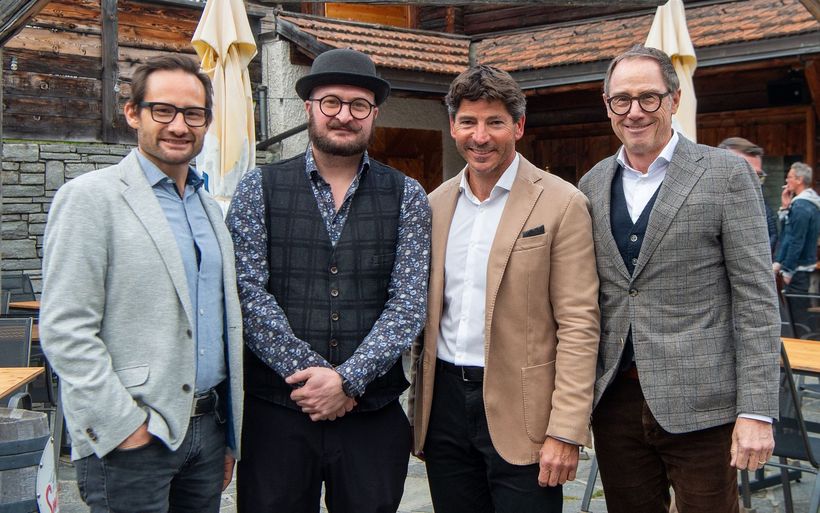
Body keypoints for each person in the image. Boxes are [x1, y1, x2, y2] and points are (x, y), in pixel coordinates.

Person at [226, 48, 431, 513]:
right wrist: (313, 381)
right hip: (279, 412)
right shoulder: (258, 187)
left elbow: (408, 305)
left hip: (371, 417)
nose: (344, 115)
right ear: (309, 108)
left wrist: (348, 381)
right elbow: (248, 292)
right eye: (331, 102)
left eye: (359, 105)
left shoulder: (408, 196)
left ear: (374, 114)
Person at [577, 44, 780, 513]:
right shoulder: (591, 183)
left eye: (648, 97)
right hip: (616, 404)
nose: (635, 111)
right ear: (607, 106)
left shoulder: (725, 174)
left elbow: (755, 299)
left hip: (704, 406)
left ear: (673, 98)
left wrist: (755, 411)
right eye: (621, 100)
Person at [40, 55, 243, 513]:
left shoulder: (209, 208)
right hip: (133, 436)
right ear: (133, 113)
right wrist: (122, 424)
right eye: (163, 110)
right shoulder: (91, 198)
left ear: (206, 122)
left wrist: (227, 434)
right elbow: (66, 328)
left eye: (193, 114)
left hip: (207, 432)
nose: (179, 125)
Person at [408, 65, 600, 513]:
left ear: (518, 126)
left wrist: (566, 429)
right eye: (468, 122)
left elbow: (579, 323)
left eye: (494, 122)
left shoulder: (561, 202)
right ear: (452, 126)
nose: (480, 136)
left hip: (526, 411)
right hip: (446, 409)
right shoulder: (433, 205)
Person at [774, 162, 820, 334]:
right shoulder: (809, 203)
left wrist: (787, 270)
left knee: (797, 317)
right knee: (799, 314)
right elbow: (789, 234)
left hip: (797, 270)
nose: (786, 180)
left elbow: (795, 240)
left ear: (800, 180)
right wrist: (785, 207)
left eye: (790, 177)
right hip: (803, 267)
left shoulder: (801, 206)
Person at [718, 136, 778, 252]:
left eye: (758, 176)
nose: (754, 183)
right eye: (745, 174)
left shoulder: (762, 206)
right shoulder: (699, 214)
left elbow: (772, 235)